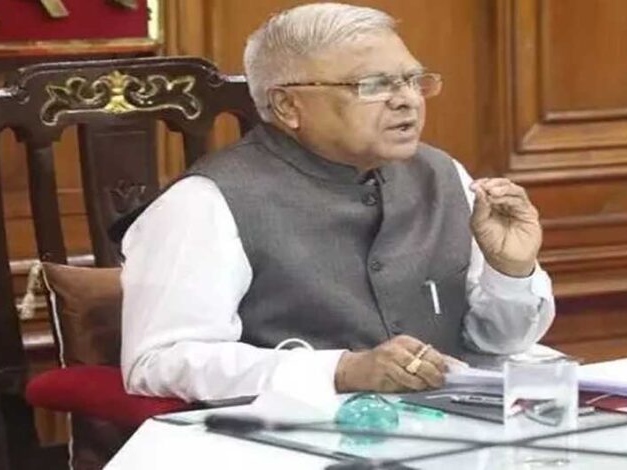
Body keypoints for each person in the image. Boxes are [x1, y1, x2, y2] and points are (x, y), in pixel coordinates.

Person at [120, 2, 555, 402]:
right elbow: (157, 362)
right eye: (374, 85)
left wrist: (510, 272)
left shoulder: (442, 174)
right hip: (292, 441)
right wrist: (341, 371)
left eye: (413, 80)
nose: (407, 100)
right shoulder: (205, 202)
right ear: (288, 105)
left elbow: (499, 343)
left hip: (452, 428)